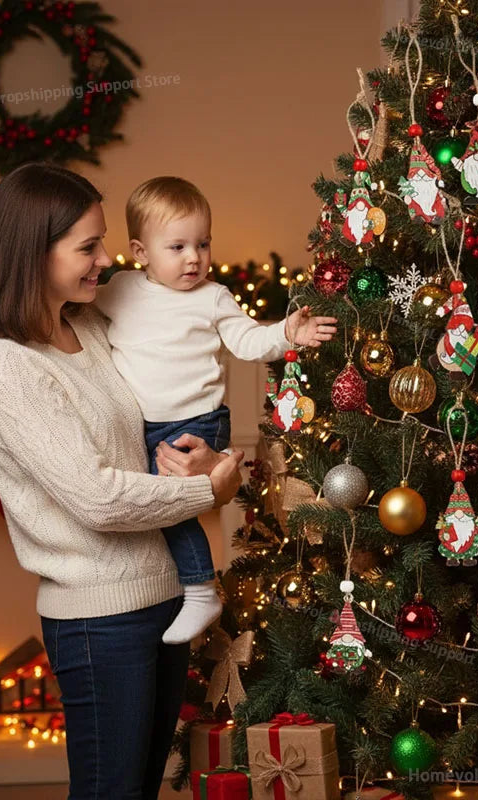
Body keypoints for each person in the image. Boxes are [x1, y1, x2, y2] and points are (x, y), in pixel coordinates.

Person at [0, 162, 244, 800]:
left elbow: (158, 415)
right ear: (34, 253)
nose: (107, 259)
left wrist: (200, 456)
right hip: (98, 618)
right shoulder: (1, 364)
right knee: (110, 790)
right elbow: (95, 496)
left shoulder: (87, 324)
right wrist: (208, 491)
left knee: (142, 787)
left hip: (164, 594)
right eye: (87, 247)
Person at [93, 176, 337, 644]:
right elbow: (73, 309)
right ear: (141, 252)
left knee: (168, 506)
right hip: (144, 424)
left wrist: (286, 332)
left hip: (196, 421)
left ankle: (201, 588)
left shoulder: (212, 296)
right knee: (145, 503)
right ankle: (177, 585)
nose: (194, 258)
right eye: (178, 246)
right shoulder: (118, 290)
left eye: (203, 244)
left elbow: (246, 340)